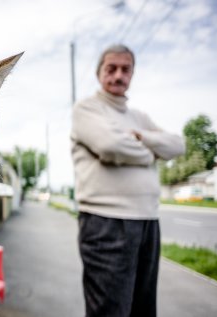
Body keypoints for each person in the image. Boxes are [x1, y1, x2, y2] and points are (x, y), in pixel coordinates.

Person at [70, 44, 185, 317]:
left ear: (132, 74)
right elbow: (110, 146)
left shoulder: (140, 118)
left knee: (143, 310)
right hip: (106, 223)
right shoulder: (86, 109)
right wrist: (151, 154)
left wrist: (143, 137)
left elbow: (178, 146)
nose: (118, 75)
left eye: (126, 69)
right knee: (111, 311)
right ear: (100, 72)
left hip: (148, 223)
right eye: (111, 68)